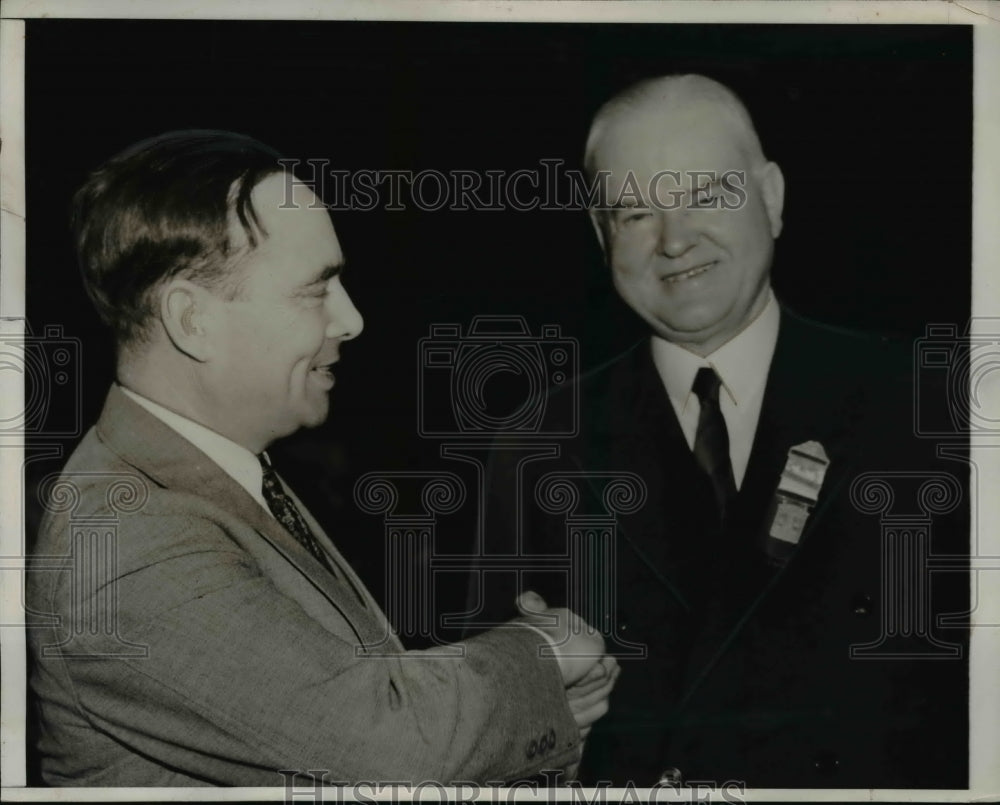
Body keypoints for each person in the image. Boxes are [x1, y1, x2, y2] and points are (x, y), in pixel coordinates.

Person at [26, 130, 619, 786]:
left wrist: (541, 706)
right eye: (316, 291)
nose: (352, 319)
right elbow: (388, 742)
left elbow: (332, 703)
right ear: (191, 320)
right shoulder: (132, 540)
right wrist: (543, 649)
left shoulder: (212, 478)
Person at [473, 75, 968, 788]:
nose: (674, 241)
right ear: (598, 232)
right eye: (636, 211)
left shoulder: (928, 408)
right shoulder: (535, 446)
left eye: (706, 196)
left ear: (771, 196)